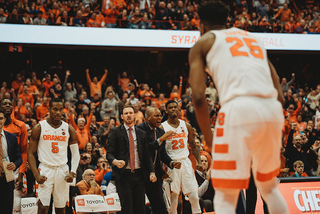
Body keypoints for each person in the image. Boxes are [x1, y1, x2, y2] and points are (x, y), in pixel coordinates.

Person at [188, 2, 288, 213]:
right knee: (269, 187)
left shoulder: (203, 42)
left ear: (202, 25)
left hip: (238, 107)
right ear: (227, 21)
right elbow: (278, 90)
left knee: (225, 193)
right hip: (271, 109)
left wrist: (209, 139)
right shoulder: (253, 39)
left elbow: (198, 97)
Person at [27, 98, 80, 214]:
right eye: (55, 109)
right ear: (49, 109)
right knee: (42, 208)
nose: (58, 112)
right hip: (45, 169)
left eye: (60, 109)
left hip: (62, 170)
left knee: (61, 208)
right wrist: (36, 175)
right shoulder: (39, 127)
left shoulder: (69, 129)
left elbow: (76, 153)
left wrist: (72, 172)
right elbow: (30, 153)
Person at [106, 105, 157, 214]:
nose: (128, 115)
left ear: (134, 115)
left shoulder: (141, 133)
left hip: (140, 175)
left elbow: (147, 155)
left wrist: (152, 171)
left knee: (141, 209)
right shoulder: (115, 132)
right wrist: (115, 161)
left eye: (130, 113)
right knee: (127, 209)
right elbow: (109, 153)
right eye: (126, 113)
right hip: (124, 175)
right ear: (122, 116)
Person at [137, 107, 181, 214]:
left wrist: (171, 163)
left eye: (160, 116)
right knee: (140, 208)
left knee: (160, 207)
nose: (159, 118)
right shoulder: (139, 129)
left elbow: (162, 153)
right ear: (148, 117)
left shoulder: (161, 131)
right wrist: (161, 139)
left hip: (155, 173)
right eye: (156, 116)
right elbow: (145, 149)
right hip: (141, 173)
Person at [160, 100, 201, 214]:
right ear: (166, 110)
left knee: (194, 196)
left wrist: (199, 161)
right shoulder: (163, 127)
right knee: (173, 201)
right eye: (171, 107)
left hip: (185, 163)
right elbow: (160, 151)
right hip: (172, 165)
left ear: (179, 109)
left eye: (175, 107)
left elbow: (192, 144)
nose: (173, 109)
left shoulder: (186, 125)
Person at [0, 98, 28, 196]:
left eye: (9, 104)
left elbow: (23, 152)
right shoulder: (0, 126)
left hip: (16, 168)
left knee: (15, 204)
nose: (8, 105)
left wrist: (21, 174)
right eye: (4, 104)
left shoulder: (21, 125)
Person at [0, 108, 22, 214]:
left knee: (7, 210)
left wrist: (15, 164)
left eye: (0, 118)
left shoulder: (12, 137)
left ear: (4, 120)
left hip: (6, 179)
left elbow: (19, 158)